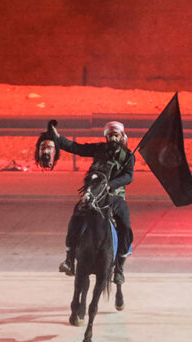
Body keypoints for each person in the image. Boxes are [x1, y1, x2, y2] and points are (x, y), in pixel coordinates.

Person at [49, 121, 134, 284]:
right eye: (109, 135)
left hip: (114, 196)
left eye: (116, 135)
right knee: (77, 215)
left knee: (125, 224)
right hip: (94, 193)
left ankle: (119, 268)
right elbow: (77, 148)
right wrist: (58, 138)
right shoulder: (98, 149)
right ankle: (69, 258)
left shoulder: (128, 156)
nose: (112, 138)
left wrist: (111, 184)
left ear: (122, 135)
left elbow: (129, 176)